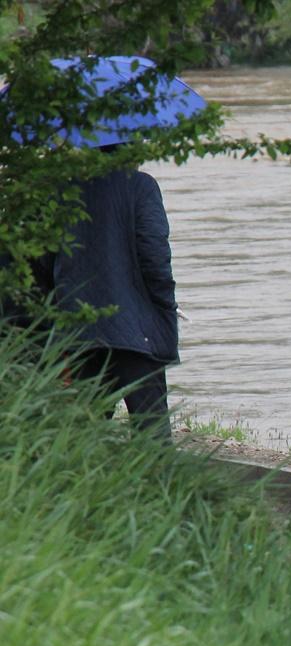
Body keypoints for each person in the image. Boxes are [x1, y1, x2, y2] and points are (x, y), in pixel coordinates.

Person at [52, 160, 179, 441]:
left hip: (80, 331)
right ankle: (156, 485)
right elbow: (155, 256)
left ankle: (86, 484)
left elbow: (46, 263)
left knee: (84, 437)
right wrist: (165, 308)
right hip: (138, 330)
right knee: (153, 435)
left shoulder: (62, 190)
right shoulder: (141, 186)